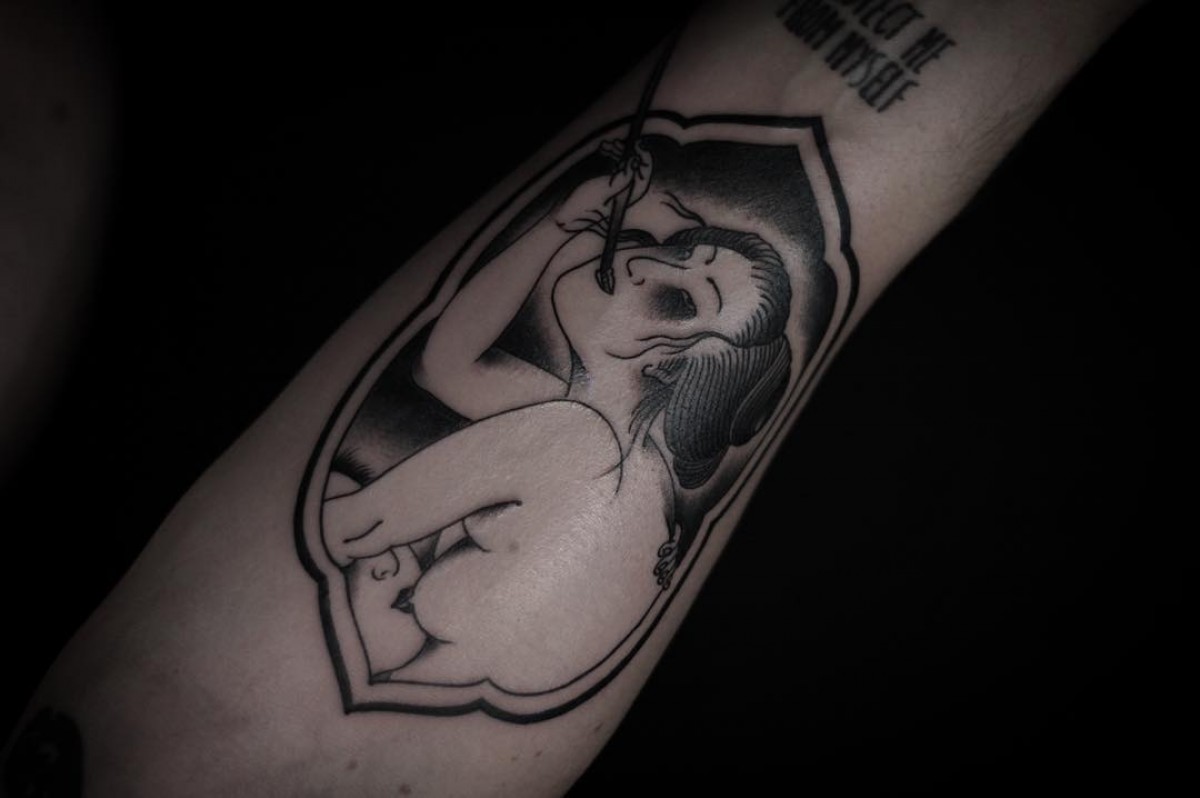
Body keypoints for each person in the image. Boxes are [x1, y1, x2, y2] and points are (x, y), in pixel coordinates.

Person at [317, 139, 813, 693]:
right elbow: (447, 365)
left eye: (680, 299)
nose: (643, 260)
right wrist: (562, 225)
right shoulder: (619, 452)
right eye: (680, 251)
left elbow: (345, 530)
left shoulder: (580, 441)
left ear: (674, 365)